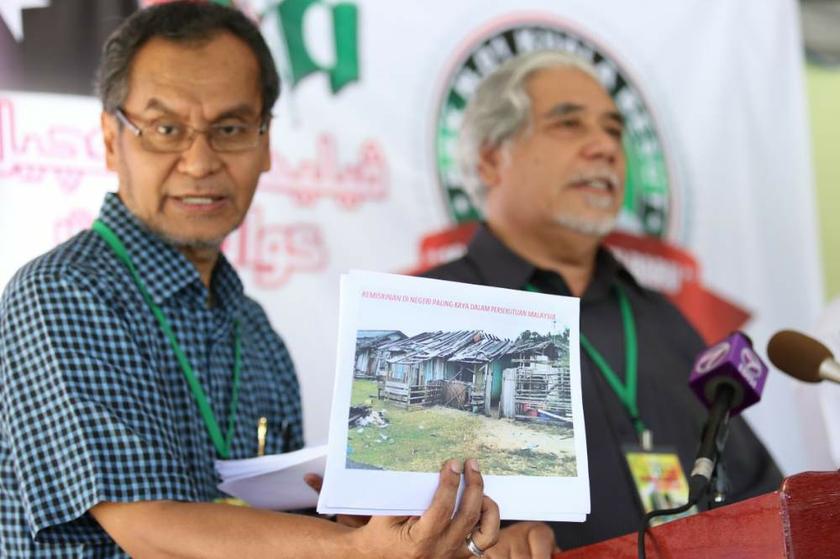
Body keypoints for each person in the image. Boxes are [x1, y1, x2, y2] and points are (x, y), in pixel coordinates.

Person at [0, 3, 502, 557]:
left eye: (231, 128)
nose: (199, 161)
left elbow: (281, 532)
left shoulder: (256, 334)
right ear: (111, 138)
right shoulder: (61, 293)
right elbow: (144, 525)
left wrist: (374, 527)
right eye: (166, 129)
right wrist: (358, 551)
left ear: (265, 142)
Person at [424, 50, 783, 550]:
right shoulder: (434, 311)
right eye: (568, 124)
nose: (606, 147)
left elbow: (759, 496)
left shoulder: (660, 318)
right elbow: (391, 532)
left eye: (614, 130)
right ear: (490, 158)